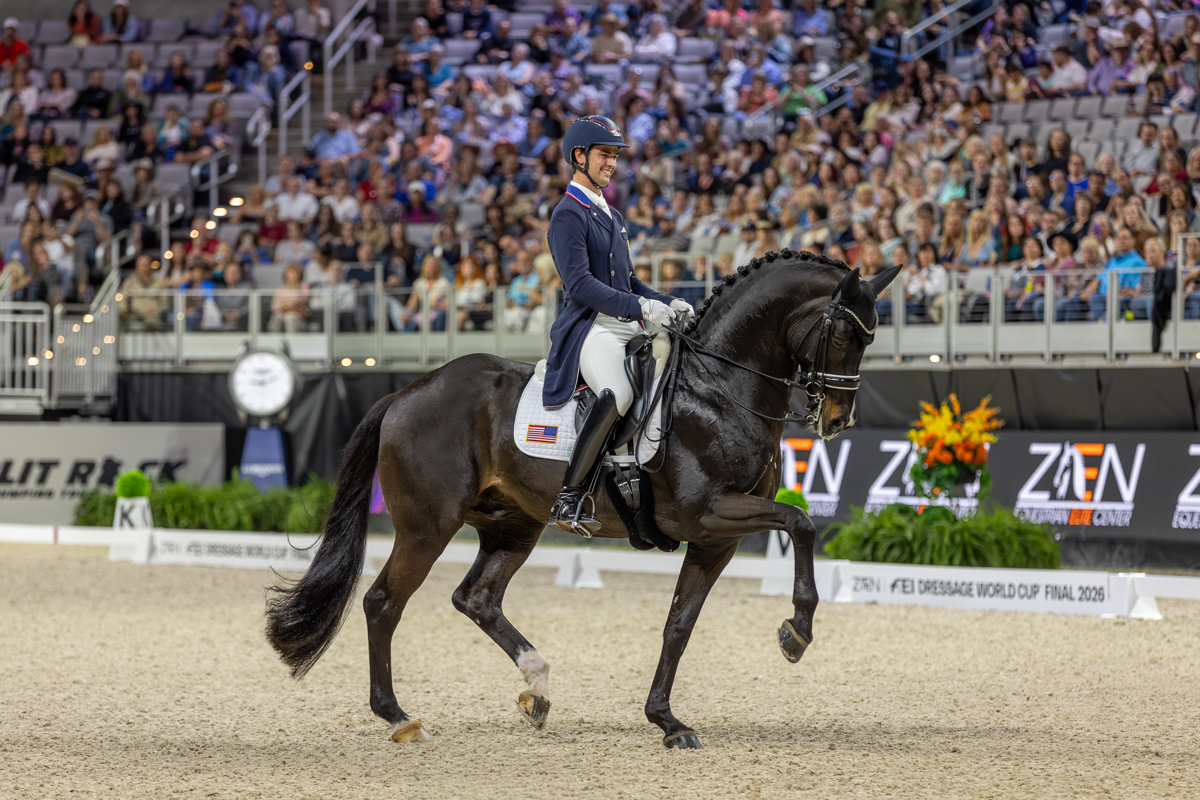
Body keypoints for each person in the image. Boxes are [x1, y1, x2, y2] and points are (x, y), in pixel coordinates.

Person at [543, 115, 691, 536]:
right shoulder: (568, 214)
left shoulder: (613, 214)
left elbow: (628, 281)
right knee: (618, 392)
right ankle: (569, 497)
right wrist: (640, 307)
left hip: (626, 320)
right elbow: (582, 286)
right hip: (593, 327)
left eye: (614, 155)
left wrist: (666, 301)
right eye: (604, 154)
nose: (611, 162)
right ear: (579, 156)